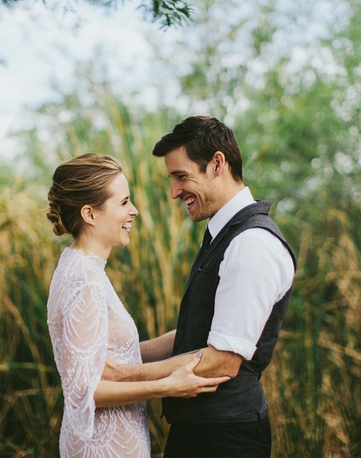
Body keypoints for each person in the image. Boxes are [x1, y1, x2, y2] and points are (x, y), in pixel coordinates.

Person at [102, 116, 297, 458]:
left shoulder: (251, 243)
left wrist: (124, 375)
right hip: (203, 433)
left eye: (181, 176)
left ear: (217, 164)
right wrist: (118, 351)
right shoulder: (224, 233)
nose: (174, 192)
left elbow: (222, 361)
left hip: (225, 440)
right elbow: (200, 332)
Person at [45, 153, 230, 458]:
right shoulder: (85, 281)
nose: (134, 211)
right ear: (90, 214)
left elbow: (111, 355)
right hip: (104, 447)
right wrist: (168, 385)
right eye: (123, 202)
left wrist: (193, 333)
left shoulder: (79, 267)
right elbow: (84, 392)